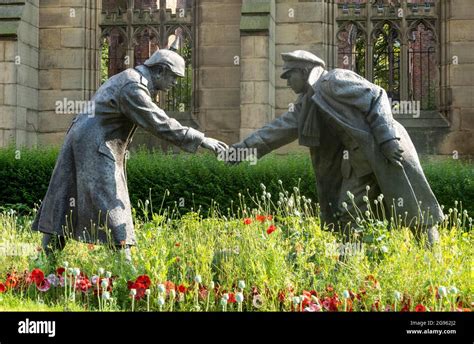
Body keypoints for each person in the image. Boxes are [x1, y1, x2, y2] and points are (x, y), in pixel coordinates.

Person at [229, 50, 442, 245]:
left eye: (289, 76)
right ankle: (352, 268)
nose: (286, 83)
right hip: (358, 162)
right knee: (350, 212)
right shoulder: (307, 103)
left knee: (417, 211)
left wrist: (387, 139)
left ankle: (433, 264)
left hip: (386, 149)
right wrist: (242, 149)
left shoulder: (333, 80)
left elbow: (377, 95)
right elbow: (277, 130)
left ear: (303, 72)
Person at [32, 49, 228, 261]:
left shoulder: (130, 79)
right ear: (161, 71)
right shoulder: (133, 86)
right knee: (112, 204)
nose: (175, 83)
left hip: (83, 142)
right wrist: (201, 139)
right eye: (174, 77)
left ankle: (45, 263)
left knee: (66, 198)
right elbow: (157, 121)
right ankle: (126, 270)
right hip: (96, 147)